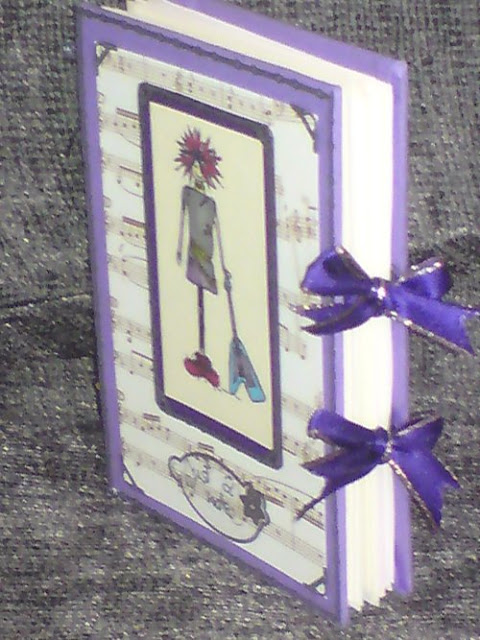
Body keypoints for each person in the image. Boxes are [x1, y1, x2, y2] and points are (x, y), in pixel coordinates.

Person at [175, 128, 230, 387]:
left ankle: (205, 359)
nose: (197, 172)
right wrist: (178, 247)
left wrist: (224, 265)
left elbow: (218, 234)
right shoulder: (188, 194)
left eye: (200, 168)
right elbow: (182, 221)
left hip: (207, 253)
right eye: (194, 168)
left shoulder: (211, 203)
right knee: (198, 301)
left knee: (204, 299)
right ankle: (201, 354)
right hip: (194, 251)